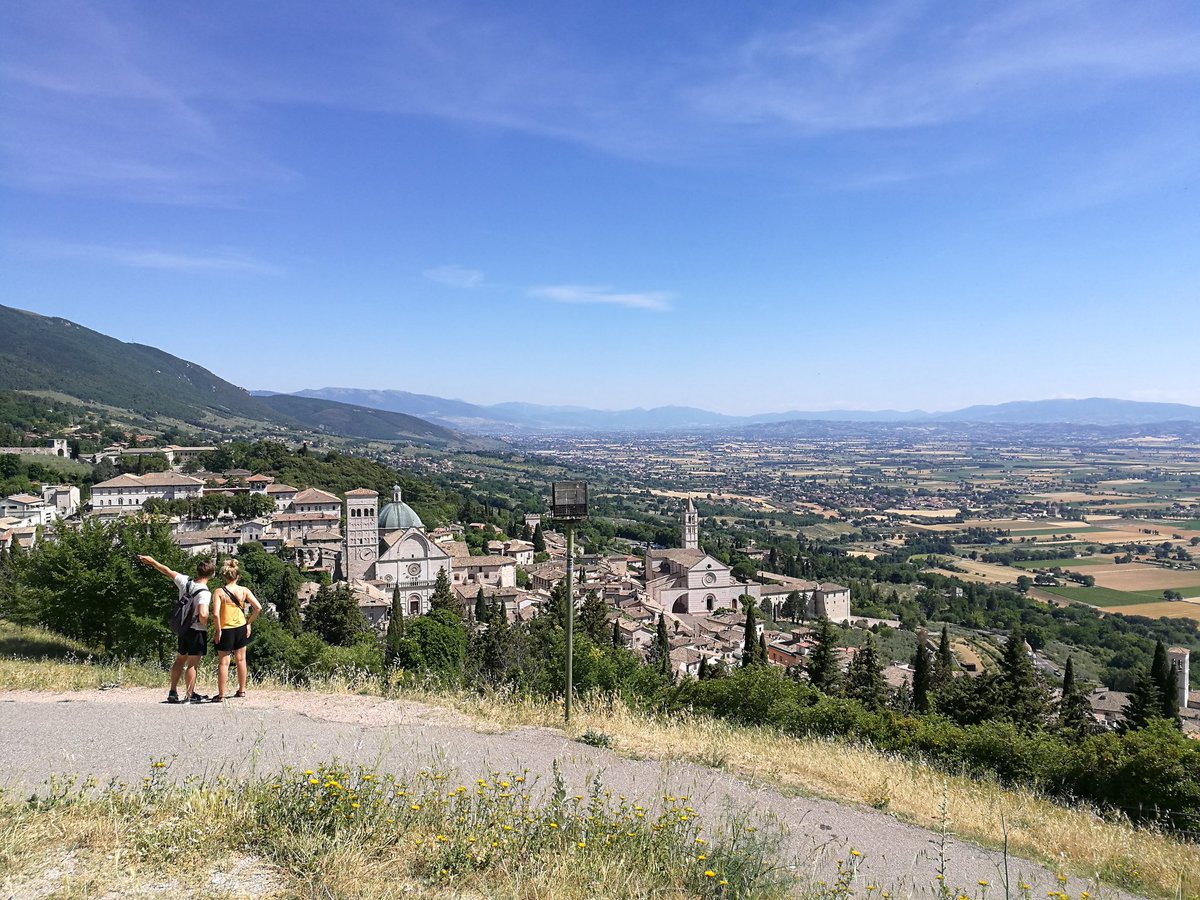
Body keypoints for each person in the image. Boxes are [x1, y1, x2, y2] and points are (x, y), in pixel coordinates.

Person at [139, 554, 212, 704]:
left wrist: (152, 561)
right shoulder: (204, 592)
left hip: (183, 628)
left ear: (197, 571)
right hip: (196, 629)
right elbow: (203, 613)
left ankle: (173, 691)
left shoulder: (185, 581)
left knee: (180, 660)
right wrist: (206, 623)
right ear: (212, 574)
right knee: (192, 664)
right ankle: (189, 695)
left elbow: (167, 570)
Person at [210, 558, 262, 702]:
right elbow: (258, 608)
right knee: (241, 659)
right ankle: (242, 690)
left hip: (225, 629)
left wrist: (218, 630)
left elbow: (215, 614)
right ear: (238, 576)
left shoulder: (219, 592)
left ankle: (221, 695)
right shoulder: (244, 590)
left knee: (223, 663)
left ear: (224, 576)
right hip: (240, 627)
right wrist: (248, 623)